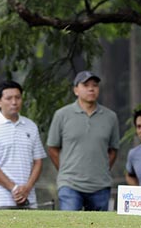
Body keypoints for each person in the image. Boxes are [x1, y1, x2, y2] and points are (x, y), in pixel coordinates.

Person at [46, 71, 120, 211]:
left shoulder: (110, 117)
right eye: (86, 85)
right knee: (70, 223)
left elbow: (113, 149)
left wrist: (101, 169)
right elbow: (52, 148)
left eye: (95, 85)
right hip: (70, 184)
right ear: (76, 90)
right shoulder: (62, 115)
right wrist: (65, 170)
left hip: (100, 185)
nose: (91, 89)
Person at [0, 80, 47, 210]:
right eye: (9, 98)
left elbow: (38, 162)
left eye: (18, 98)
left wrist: (26, 188)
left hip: (29, 199)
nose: (14, 102)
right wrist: (14, 188)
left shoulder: (31, 126)